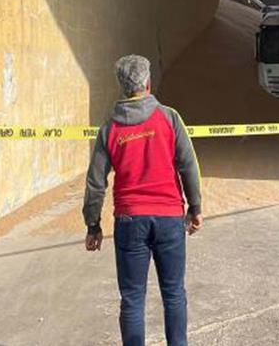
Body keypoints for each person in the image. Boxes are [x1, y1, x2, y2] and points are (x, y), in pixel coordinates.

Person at [83, 55, 202, 346]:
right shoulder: (169, 117)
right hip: (169, 218)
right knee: (174, 293)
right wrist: (195, 207)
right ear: (147, 82)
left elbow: (96, 182)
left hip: (129, 221)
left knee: (132, 299)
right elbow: (188, 164)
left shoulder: (109, 128)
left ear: (122, 86)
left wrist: (93, 224)